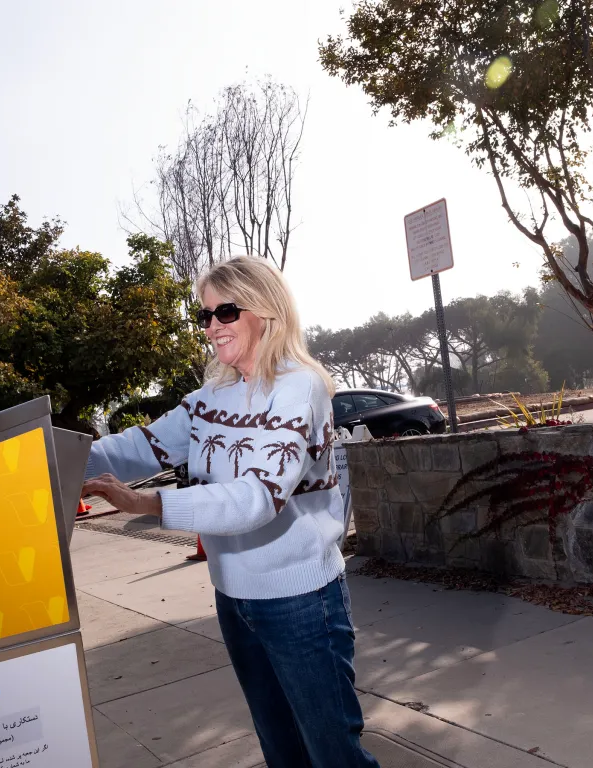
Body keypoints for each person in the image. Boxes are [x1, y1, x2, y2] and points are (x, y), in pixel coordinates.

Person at [82, 256, 379, 768]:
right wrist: (51, 458)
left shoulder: (298, 385)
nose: (211, 327)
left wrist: (150, 503)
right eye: (204, 316)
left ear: (265, 310)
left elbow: (257, 497)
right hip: (234, 599)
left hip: (301, 601)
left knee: (334, 757)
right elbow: (138, 447)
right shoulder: (210, 397)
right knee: (282, 753)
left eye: (225, 311)